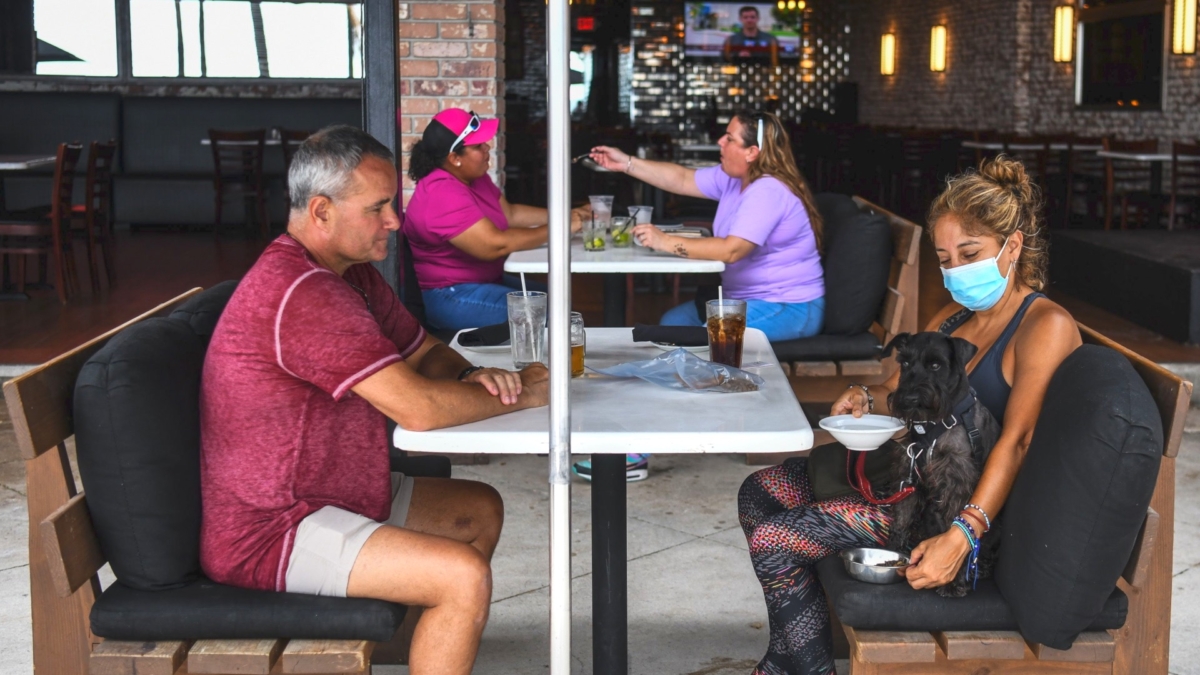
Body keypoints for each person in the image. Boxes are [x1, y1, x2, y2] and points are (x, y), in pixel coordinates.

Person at [199, 125, 550, 675]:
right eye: (378, 207)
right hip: (275, 526)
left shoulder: (349, 274)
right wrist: (523, 395)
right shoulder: (304, 291)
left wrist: (476, 373)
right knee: (460, 575)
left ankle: (407, 654)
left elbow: (423, 349)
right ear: (320, 211)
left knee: (475, 509)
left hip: (334, 492)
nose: (395, 221)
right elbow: (418, 409)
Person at [735, 156, 1082, 675]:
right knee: (758, 491)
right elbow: (896, 386)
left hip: (955, 507)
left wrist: (964, 533)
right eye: (945, 259)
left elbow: (1020, 440)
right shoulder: (955, 317)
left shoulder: (1044, 325)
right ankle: (795, 657)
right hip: (906, 476)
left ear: (1012, 247)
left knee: (775, 539)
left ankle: (801, 666)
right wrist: (863, 397)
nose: (956, 271)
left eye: (970, 253)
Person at [589, 110, 826, 343]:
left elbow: (732, 250)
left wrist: (665, 241)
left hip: (788, 306)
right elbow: (683, 179)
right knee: (673, 324)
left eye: (730, 138)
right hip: (741, 299)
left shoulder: (768, 190)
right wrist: (627, 163)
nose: (720, 142)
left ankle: (709, 381)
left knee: (710, 338)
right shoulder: (734, 179)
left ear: (752, 152)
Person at [404, 108, 589, 332]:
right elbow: (494, 244)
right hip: (450, 295)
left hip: (483, 282)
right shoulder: (441, 193)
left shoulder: (473, 177)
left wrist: (570, 214)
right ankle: (542, 367)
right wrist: (561, 228)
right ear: (455, 158)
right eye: (477, 146)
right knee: (551, 313)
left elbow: (510, 214)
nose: (487, 147)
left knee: (559, 297)